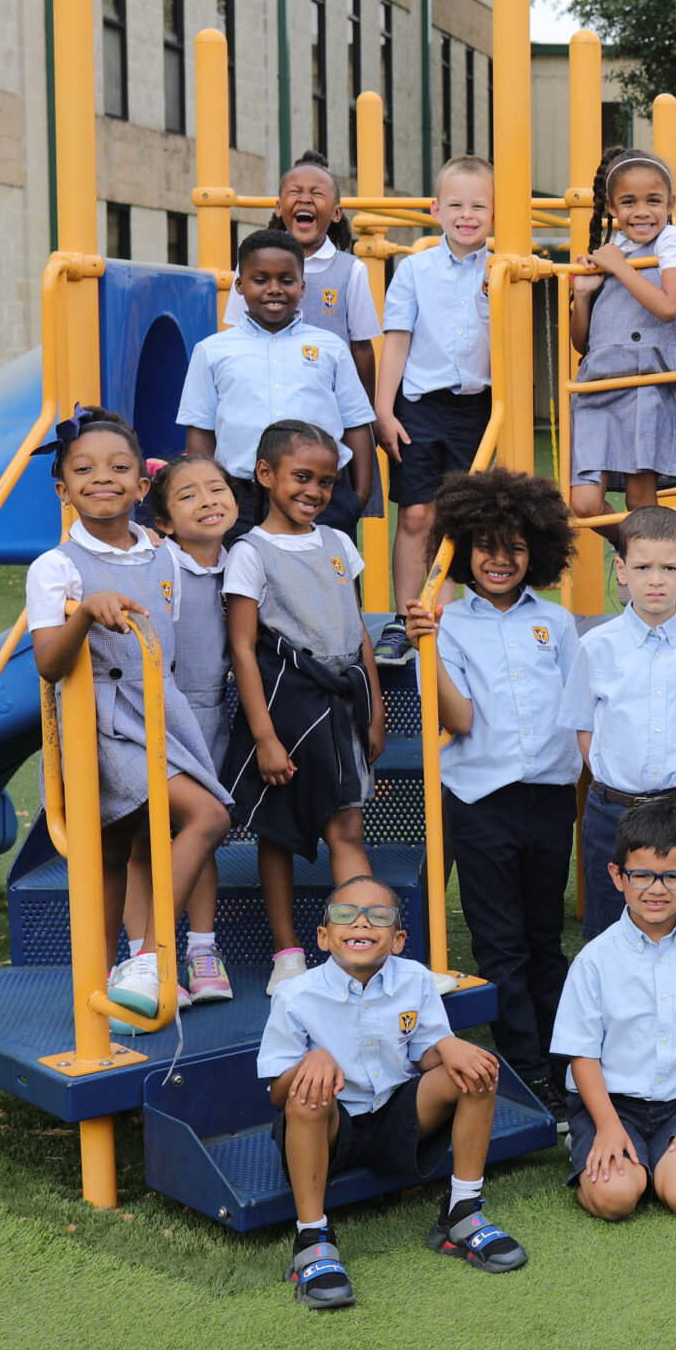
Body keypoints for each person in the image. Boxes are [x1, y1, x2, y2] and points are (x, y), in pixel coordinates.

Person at [25, 410, 236, 1030]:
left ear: (143, 488)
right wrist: (83, 614)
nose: (103, 479)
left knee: (191, 821)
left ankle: (141, 961)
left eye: (119, 468)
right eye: (84, 470)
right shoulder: (55, 567)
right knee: (159, 832)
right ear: (63, 489)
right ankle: (136, 964)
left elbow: (171, 645)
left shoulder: (163, 554)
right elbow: (48, 664)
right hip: (100, 725)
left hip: (158, 718)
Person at [398, 468, 582, 1117]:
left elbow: (575, 712)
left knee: (543, 939)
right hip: (480, 800)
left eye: (516, 547)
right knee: (500, 943)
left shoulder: (557, 623)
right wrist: (430, 644)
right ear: (462, 547)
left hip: (550, 798)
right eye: (486, 545)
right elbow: (462, 719)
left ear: (539, 551)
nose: (500, 559)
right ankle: (528, 1075)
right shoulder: (444, 624)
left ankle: (566, 1068)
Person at [262, 873, 525, 1310]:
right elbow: (277, 1095)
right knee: (309, 1091)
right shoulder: (295, 995)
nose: (362, 924)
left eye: (378, 917)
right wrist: (312, 1061)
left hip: (398, 1118)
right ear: (324, 936)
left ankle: (461, 1211)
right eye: (346, 915)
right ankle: (312, 1238)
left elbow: (424, 1056)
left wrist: (448, 1043)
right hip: (330, 1128)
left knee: (476, 1067)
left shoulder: (415, 979)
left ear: (398, 939)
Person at [217, 419, 387, 996]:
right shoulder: (250, 553)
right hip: (288, 706)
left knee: (347, 824)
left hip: (343, 704)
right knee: (279, 831)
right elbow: (242, 646)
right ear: (266, 475)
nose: (314, 491)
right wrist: (264, 736)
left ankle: (360, 948)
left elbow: (357, 629)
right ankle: (287, 952)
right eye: (302, 477)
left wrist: (377, 707)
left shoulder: (339, 543)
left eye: (326, 481)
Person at [554, 800, 676, 1223]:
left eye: (672, 876)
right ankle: (591, 1141)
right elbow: (582, 1054)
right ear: (617, 877)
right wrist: (606, 1125)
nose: (656, 889)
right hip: (610, 1103)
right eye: (641, 875)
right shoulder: (594, 959)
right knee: (615, 1199)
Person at [564, 504, 676, 942]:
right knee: (610, 933)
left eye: (669, 567)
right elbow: (585, 729)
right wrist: (616, 780)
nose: (655, 579)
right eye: (642, 567)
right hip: (612, 812)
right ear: (621, 569)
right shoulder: (596, 646)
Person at [119, 452, 238, 1009]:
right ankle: (145, 955)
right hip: (157, 717)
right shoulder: (159, 560)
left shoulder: (242, 562)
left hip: (210, 718)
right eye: (188, 496)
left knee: (201, 831)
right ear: (163, 521)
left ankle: (201, 949)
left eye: (216, 489)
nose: (208, 501)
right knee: (145, 840)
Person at [371, 154, 497, 664]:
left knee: (465, 517)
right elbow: (396, 342)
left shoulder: (502, 266)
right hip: (419, 404)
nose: (467, 215)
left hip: (478, 406)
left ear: (494, 213)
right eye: (456, 205)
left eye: (479, 206)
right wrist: (384, 411)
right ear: (436, 209)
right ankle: (405, 619)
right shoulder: (414, 269)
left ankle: (452, 619)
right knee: (418, 513)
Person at [178, 228, 377, 539]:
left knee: (331, 584)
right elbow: (201, 430)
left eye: (286, 280)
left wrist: (358, 498)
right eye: (260, 280)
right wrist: (207, 492)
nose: (274, 289)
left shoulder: (331, 347)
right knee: (245, 586)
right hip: (241, 500)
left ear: (302, 286)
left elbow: (356, 425)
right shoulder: (212, 351)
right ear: (240, 286)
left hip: (323, 499)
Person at [570, 149, 676, 522]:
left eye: (653, 201)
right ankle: (637, 557)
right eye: (629, 202)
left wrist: (618, 267)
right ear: (611, 206)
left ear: (671, 203)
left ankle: (644, 575)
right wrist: (582, 293)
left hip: (647, 379)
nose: (641, 211)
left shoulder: (671, 241)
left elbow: (669, 306)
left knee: (640, 501)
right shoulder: (613, 252)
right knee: (585, 505)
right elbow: (584, 343)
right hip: (598, 383)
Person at [268, 152, 382, 403]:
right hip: (269, 396)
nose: (305, 198)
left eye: (317, 193)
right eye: (295, 191)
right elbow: (236, 334)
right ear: (278, 207)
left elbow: (361, 348)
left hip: (330, 401)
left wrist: (367, 413)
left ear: (336, 213)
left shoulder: (351, 270)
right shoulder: (254, 266)